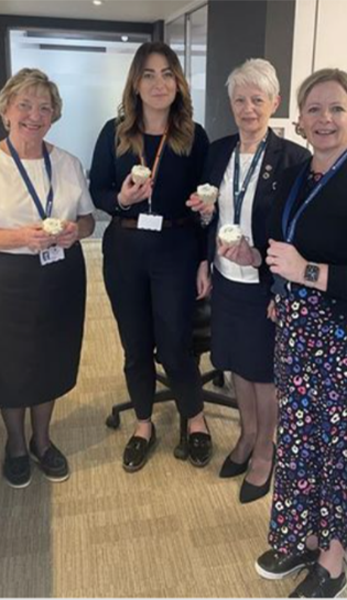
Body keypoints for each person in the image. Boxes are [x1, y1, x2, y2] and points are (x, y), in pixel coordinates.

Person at [254, 68, 347, 597]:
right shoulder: (298, 176)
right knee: (299, 442)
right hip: (299, 335)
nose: (325, 119)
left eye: (336, 108)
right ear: (299, 119)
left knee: (341, 452)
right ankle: (308, 535)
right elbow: (282, 245)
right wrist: (272, 279)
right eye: (314, 109)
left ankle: (334, 562)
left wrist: (307, 274)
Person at [187, 58, 309, 503]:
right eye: (240, 99)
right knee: (237, 362)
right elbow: (208, 211)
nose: (248, 108)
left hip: (265, 285)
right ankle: (245, 433)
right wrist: (205, 257)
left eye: (257, 99)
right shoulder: (217, 152)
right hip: (226, 279)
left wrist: (280, 286)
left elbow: (298, 231)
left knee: (265, 374)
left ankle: (264, 449)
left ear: (274, 102)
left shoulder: (294, 158)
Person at [89, 41, 212, 473]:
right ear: (135, 84)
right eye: (148, 74)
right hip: (125, 250)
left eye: (167, 74)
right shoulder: (115, 132)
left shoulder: (194, 138)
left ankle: (195, 419)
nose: (158, 84)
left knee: (176, 343)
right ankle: (144, 424)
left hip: (176, 250)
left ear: (178, 83)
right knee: (135, 344)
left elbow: (206, 204)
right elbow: (98, 189)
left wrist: (204, 258)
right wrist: (120, 199)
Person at [0, 68, 95, 489]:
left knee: (52, 359)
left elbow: (90, 219)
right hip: (9, 278)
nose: (34, 115)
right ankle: (16, 444)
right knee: (11, 365)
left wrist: (79, 230)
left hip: (60, 276)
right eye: (24, 105)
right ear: (6, 110)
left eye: (44, 107)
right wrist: (21, 236)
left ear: (54, 115)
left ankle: (43, 439)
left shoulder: (68, 163)